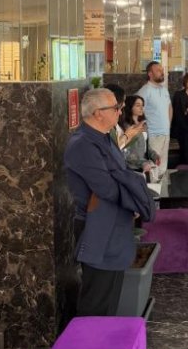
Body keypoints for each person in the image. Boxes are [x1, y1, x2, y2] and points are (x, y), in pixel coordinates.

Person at [64, 88, 155, 316]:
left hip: (116, 225)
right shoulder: (82, 144)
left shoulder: (105, 136)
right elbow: (106, 187)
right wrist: (133, 201)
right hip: (99, 228)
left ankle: (104, 337)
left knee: (111, 298)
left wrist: (131, 197)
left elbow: (121, 172)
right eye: (115, 108)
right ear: (98, 113)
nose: (120, 111)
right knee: (97, 302)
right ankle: (89, 340)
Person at [137, 62, 172, 177]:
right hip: (153, 135)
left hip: (165, 134)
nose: (162, 72)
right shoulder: (145, 91)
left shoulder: (164, 89)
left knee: (163, 168)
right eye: (158, 70)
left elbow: (169, 108)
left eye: (162, 70)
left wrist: (168, 125)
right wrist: (143, 129)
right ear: (150, 74)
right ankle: (152, 189)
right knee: (153, 169)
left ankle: (161, 189)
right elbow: (137, 112)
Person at [119, 95, 160, 175]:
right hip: (131, 168)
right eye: (138, 105)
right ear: (130, 107)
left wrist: (154, 156)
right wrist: (142, 163)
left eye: (142, 105)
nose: (142, 108)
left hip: (144, 166)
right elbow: (125, 152)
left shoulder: (143, 124)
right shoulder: (125, 127)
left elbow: (146, 146)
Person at [103, 83, 143, 149]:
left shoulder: (118, 120)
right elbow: (112, 149)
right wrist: (127, 135)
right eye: (123, 100)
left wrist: (131, 135)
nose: (124, 104)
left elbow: (121, 145)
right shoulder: (106, 124)